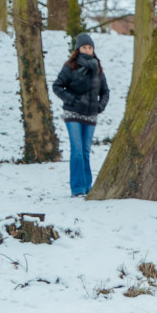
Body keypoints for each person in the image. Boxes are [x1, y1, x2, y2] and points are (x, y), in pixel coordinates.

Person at [52, 33, 110, 197]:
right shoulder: (70, 67)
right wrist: (71, 100)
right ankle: (77, 188)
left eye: (90, 47)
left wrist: (100, 106)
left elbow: (105, 91)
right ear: (78, 49)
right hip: (73, 113)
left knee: (85, 151)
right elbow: (57, 86)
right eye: (84, 47)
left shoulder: (98, 69)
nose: (87, 50)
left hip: (91, 115)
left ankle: (87, 187)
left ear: (93, 50)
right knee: (76, 150)